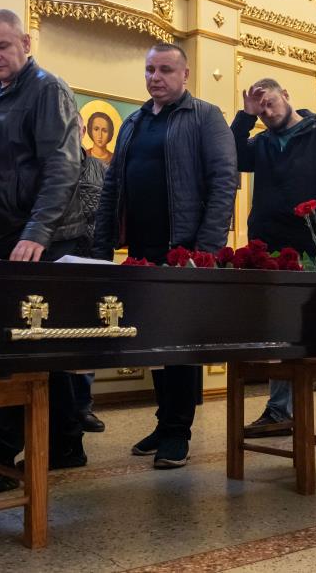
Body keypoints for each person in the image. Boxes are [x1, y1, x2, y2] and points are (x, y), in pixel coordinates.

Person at [0, 8, 92, 494]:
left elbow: (62, 167)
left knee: (17, 349)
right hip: (6, 238)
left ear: (26, 43)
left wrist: (37, 233)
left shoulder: (47, 90)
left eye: (2, 46)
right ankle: (66, 444)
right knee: (45, 350)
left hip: (44, 239)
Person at [93, 43, 237, 468]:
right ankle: (164, 422)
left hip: (184, 251)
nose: (156, 77)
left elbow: (223, 182)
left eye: (166, 70)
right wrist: (102, 245)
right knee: (153, 340)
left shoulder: (205, 116)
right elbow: (111, 188)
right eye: (150, 69)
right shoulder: (133, 122)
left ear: (185, 74)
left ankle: (178, 432)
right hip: (140, 249)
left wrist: (204, 251)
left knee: (180, 342)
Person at [232, 78, 316, 444]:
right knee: (280, 330)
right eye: (261, 109)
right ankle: (278, 411)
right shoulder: (263, 142)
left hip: (314, 246)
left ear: (286, 95)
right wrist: (245, 116)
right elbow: (232, 155)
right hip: (271, 248)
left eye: (270, 102)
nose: (267, 112)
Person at [70, 112, 109, 432]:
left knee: (85, 340)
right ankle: (56, 408)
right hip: (53, 262)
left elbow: (108, 214)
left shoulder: (100, 169)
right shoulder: (47, 165)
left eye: (76, 126)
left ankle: (83, 407)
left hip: (89, 261)